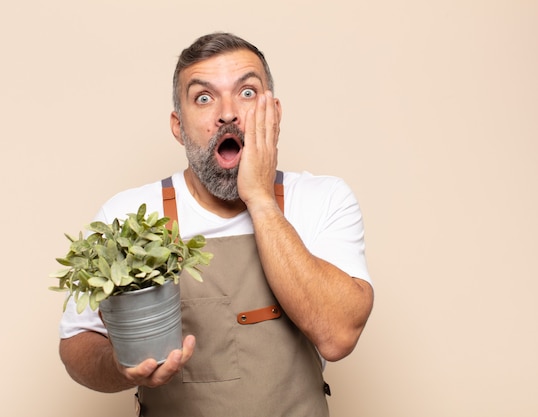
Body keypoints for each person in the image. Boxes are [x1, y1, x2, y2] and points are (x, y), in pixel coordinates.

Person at [58, 32, 374, 416]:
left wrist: (259, 197)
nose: (227, 113)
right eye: (203, 98)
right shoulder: (127, 215)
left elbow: (338, 336)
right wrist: (121, 367)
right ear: (178, 126)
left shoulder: (323, 199)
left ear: (273, 112)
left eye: (246, 92)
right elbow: (78, 342)